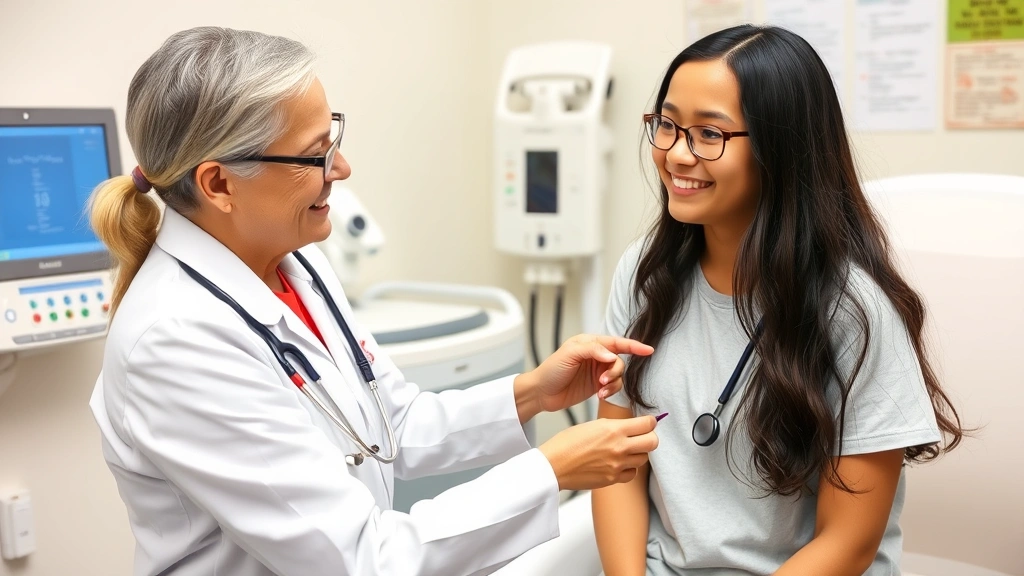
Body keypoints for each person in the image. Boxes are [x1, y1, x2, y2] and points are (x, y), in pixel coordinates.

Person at [88, 27, 660, 576]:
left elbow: (389, 426)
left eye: (333, 137)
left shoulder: (296, 260)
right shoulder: (176, 340)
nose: (341, 168)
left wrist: (533, 393)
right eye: (315, 155)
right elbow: (362, 560)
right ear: (218, 185)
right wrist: (551, 470)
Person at [592, 25, 964, 576]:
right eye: (666, 125)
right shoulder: (645, 273)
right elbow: (617, 466)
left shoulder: (853, 311)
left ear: (780, 149)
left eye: (709, 135)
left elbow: (849, 542)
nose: (676, 154)